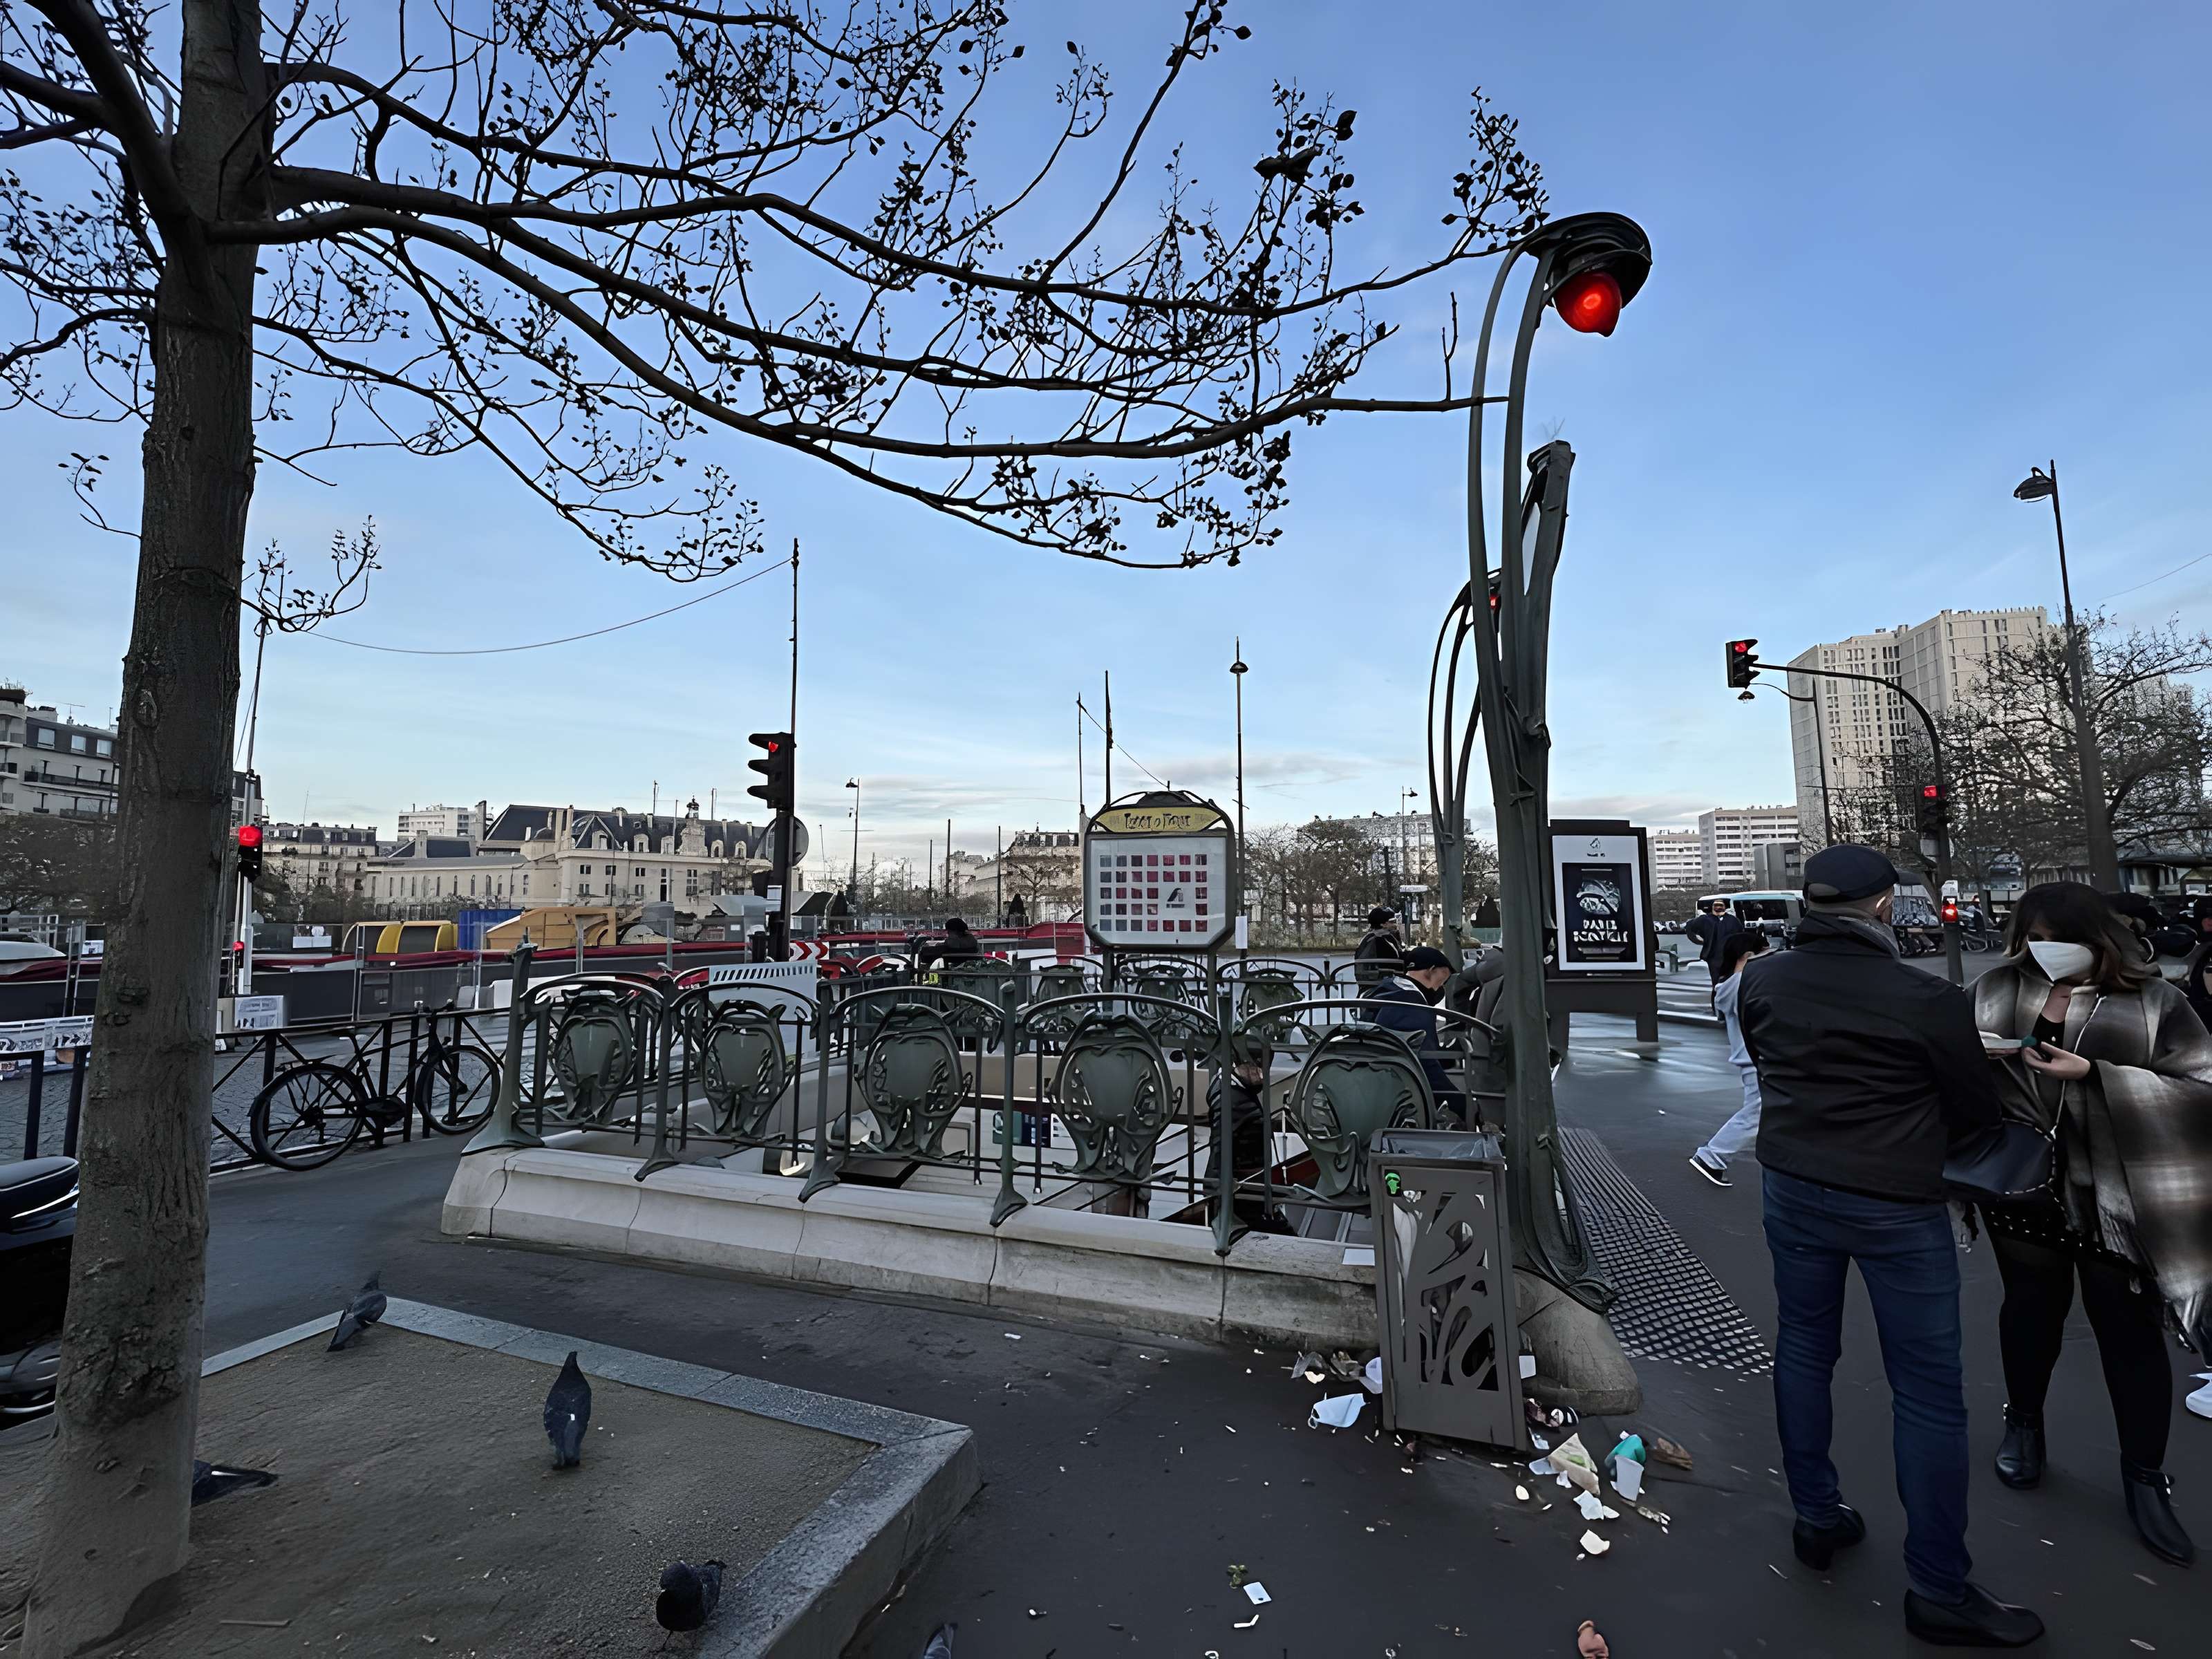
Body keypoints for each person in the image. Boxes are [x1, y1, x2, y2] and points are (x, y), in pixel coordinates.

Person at [1736, 845, 2041, 1647]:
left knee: (1802, 1349)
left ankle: (1814, 1517)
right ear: (1881, 907)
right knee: (1928, 1393)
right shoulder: (1922, 998)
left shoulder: (1763, 978)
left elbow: (1770, 1064)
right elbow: (1973, 1112)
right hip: (1895, 1204)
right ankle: (1938, 1585)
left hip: (1791, 1185)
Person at [1971, 881, 2212, 1567]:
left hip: (2118, 1195)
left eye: (2056, 934)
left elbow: (2199, 1088)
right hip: (2021, 1187)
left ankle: (2144, 1477)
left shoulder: (2154, 1001)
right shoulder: (1993, 988)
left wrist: (2094, 1074)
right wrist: (1974, 1057)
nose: (2043, 948)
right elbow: (1948, 1079)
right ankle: (2022, 1427)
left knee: (2126, 1332)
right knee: (2028, 1312)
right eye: (2031, 934)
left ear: (2095, 936)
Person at [1687, 928, 1771, 1188]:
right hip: (1757, 1059)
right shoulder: (1741, 984)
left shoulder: (1731, 985)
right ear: (1749, 956)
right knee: (1758, 1112)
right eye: (1766, 953)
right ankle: (1712, 1156)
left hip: (1752, 1059)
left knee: (1769, 1110)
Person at [1365, 945, 1468, 1123]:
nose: (1439, 990)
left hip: (1376, 1085)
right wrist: (1460, 1104)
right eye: (1441, 982)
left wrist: (1445, 1056)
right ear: (1431, 970)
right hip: (1399, 1097)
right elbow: (1422, 1063)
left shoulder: (1387, 991)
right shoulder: (1411, 1003)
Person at [1204, 1041, 1295, 1236]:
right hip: (1245, 1193)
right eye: (1256, 1069)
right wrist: (1217, 1190)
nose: (1262, 1076)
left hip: (1251, 1187)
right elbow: (1219, 1148)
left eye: (1265, 1069)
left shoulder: (1223, 1082)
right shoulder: (1231, 1102)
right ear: (1239, 1063)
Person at [1685, 898, 1744, 1006]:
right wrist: (1697, 941)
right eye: (1716, 905)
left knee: (1730, 982)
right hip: (1713, 957)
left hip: (1730, 957)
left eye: (1721, 905)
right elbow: (1689, 927)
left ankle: (1729, 1004)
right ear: (1712, 907)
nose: (1719, 907)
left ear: (1725, 907)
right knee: (1716, 983)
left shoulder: (1733, 921)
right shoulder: (1705, 919)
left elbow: (1741, 937)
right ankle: (1717, 1006)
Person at [1353, 906, 1406, 989]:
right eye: (1392, 922)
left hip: (1366, 985)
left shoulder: (1367, 939)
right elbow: (1399, 960)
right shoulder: (1384, 939)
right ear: (1383, 924)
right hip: (1385, 986)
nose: (1395, 924)